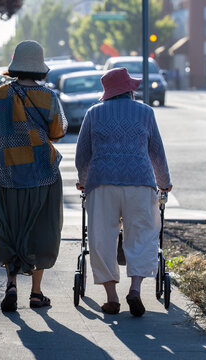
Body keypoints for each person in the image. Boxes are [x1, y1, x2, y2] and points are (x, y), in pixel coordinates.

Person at [75, 67, 172, 317]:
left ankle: (111, 297)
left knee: (102, 238)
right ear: (129, 90)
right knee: (141, 234)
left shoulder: (93, 113)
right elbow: (157, 153)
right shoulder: (145, 112)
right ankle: (136, 290)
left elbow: (83, 154)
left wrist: (83, 181)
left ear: (108, 92)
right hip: (139, 181)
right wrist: (164, 182)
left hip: (102, 182)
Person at [0, 40, 68, 312]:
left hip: (8, 171)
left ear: (16, 66)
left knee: (10, 226)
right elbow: (57, 132)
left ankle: (10, 284)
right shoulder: (48, 96)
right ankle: (35, 293)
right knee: (42, 227)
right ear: (39, 67)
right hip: (42, 171)